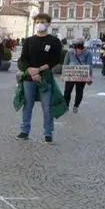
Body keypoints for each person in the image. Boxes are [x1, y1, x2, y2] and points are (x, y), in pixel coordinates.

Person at [17, 13, 63, 142]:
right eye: (37, 22)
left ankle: (48, 133)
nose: (39, 24)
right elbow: (23, 59)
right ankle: (24, 131)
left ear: (48, 23)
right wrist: (31, 71)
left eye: (42, 21)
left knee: (47, 107)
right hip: (29, 77)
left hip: (45, 77)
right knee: (27, 105)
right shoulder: (29, 40)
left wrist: (39, 70)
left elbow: (56, 60)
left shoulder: (54, 41)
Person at [62, 38, 93, 113]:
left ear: (82, 46)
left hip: (82, 74)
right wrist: (63, 74)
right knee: (67, 91)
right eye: (75, 46)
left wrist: (89, 77)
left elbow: (89, 65)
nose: (77, 49)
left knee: (79, 91)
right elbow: (65, 63)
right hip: (70, 74)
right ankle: (66, 105)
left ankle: (76, 106)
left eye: (79, 47)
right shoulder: (70, 52)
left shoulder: (88, 53)